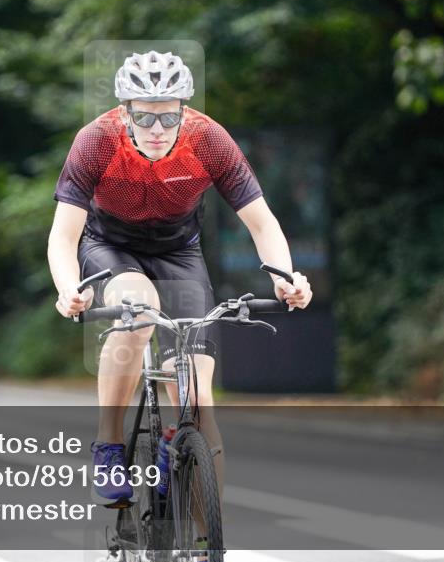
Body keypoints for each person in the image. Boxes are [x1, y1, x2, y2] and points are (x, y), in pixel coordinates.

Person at [48, 51, 313, 514]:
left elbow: (262, 223)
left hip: (178, 252)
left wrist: (286, 277)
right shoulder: (96, 141)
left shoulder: (208, 140)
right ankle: (109, 446)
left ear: (184, 111)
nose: (156, 129)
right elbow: (64, 234)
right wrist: (68, 287)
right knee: (138, 308)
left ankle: (205, 545)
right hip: (111, 246)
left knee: (196, 399)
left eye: (168, 116)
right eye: (145, 116)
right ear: (125, 111)